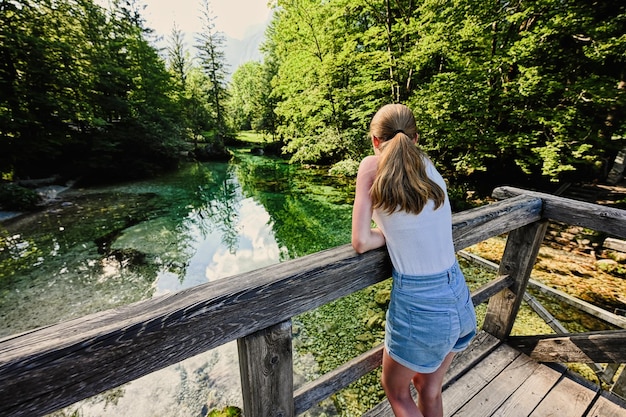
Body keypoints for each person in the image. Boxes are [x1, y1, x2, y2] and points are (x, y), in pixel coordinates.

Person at [351, 103, 476, 417]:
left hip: (421, 305)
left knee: (397, 393)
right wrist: (394, 232)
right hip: (457, 295)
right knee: (428, 388)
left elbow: (361, 241)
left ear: (375, 141)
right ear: (415, 137)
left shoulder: (370, 166)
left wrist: (386, 233)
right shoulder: (427, 166)